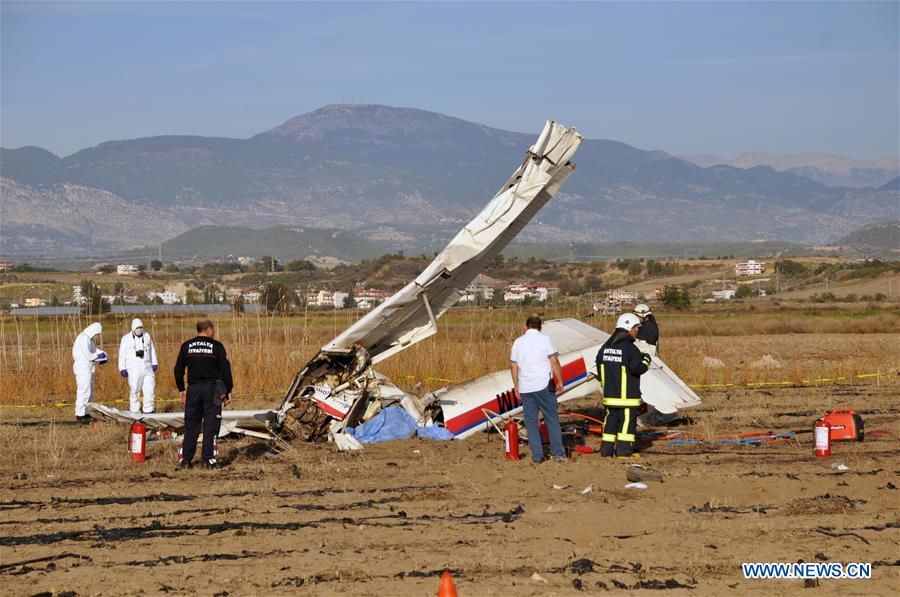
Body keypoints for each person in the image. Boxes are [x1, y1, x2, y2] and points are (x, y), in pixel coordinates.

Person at [174, 318, 233, 469]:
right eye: (212, 329)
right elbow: (226, 370)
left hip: (193, 389)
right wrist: (228, 390)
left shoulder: (186, 346)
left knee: (191, 425)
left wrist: (181, 389)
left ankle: (185, 460)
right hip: (212, 390)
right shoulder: (216, 346)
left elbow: (178, 370)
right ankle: (208, 460)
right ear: (208, 329)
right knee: (211, 425)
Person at [510, 315, 566, 463]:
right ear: (540, 328)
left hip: (526, 388)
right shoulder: (545, 339)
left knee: (530, 422)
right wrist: (560, 381)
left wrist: (516, 386)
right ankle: (558, 455)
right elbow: (554, 362)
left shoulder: (518, 342)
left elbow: (514, 366)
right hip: (544, 386)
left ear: (526, 327)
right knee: (551, 419)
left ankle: (537, 456)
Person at [596, 313, 652, 457]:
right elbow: (637, 368)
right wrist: (646, 360)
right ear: (628, 328)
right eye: (635, 327)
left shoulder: (604, 349)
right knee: (627, 425)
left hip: (610, 396)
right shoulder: (630, 349)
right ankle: (624, 452)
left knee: (610, 423)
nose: (637, 330)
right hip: (627, 398)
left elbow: (600, 370)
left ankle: (606, 451)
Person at [118, 318, 159, 414]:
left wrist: (154, 362)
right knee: (135, 389)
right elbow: (122, 354)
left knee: (150, 388)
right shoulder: (126, 338)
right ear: (133, 328)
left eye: (141, 327)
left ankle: (148, 409)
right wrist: (122, 368)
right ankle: (135, 411)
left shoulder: (147, 336)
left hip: (147, 366)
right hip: (133, 368)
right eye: (137, 328)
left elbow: (152, 349)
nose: (139, 329)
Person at [72, 322, 108, 424]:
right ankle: (80, 415)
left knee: (89, 392)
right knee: (84, 391)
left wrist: (103, 354)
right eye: (97, 334)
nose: (96, 336)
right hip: (82, 368)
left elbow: (95, 350)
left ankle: (86, 412)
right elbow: (88, 355)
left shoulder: (88, 339)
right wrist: (97, 357)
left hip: (87, 368)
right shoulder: (83, 338)